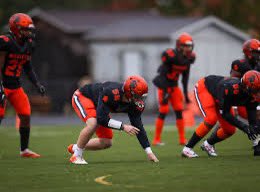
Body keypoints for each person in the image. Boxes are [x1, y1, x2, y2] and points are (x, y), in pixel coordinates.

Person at [67, 75, 159, 164]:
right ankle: (77, 156)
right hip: (83, 97)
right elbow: (101, 119)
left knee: (106, 142)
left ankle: (76, 147)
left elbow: (138, 126)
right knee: (93, 123)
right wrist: (123, 127)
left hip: (99, 107)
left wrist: (149, 152)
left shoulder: (134, 104)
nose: (140, 100)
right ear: (129, 93)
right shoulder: (111, 92)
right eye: (138, 96)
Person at [182, 70, 260, 158]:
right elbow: (225, 114)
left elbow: (252, 120)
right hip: (206, 88)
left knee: (229, 130)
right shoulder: (230, 89)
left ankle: (208, 144)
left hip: (220, 97)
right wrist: (244, 127)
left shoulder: (252, 96)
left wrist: (256, 143)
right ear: (246, 87)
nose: (258, 93)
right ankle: (187, 148)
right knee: (211, 119)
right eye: (256, 90)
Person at [0, 13, 45, 158]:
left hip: (15, 86)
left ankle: (24, 150)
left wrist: (37, 83)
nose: (29, 32)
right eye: (26, 29)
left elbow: (28, 67)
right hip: (2, 84)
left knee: (25, 115)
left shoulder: (28, 45)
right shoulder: (6, 41)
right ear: (16, 29)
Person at [152, 32, 196, 145]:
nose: (188, 48)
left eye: (189, 46)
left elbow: (185, 80)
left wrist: (186, 96)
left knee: (179, 111)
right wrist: (165, 92)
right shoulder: (170, 55)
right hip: (164, 85)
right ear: (179, 46)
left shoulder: (188, 60)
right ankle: (156, 140)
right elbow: (162, 74)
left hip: (174, 87)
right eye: (186, 46)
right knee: (164, 111)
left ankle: (182, 139)